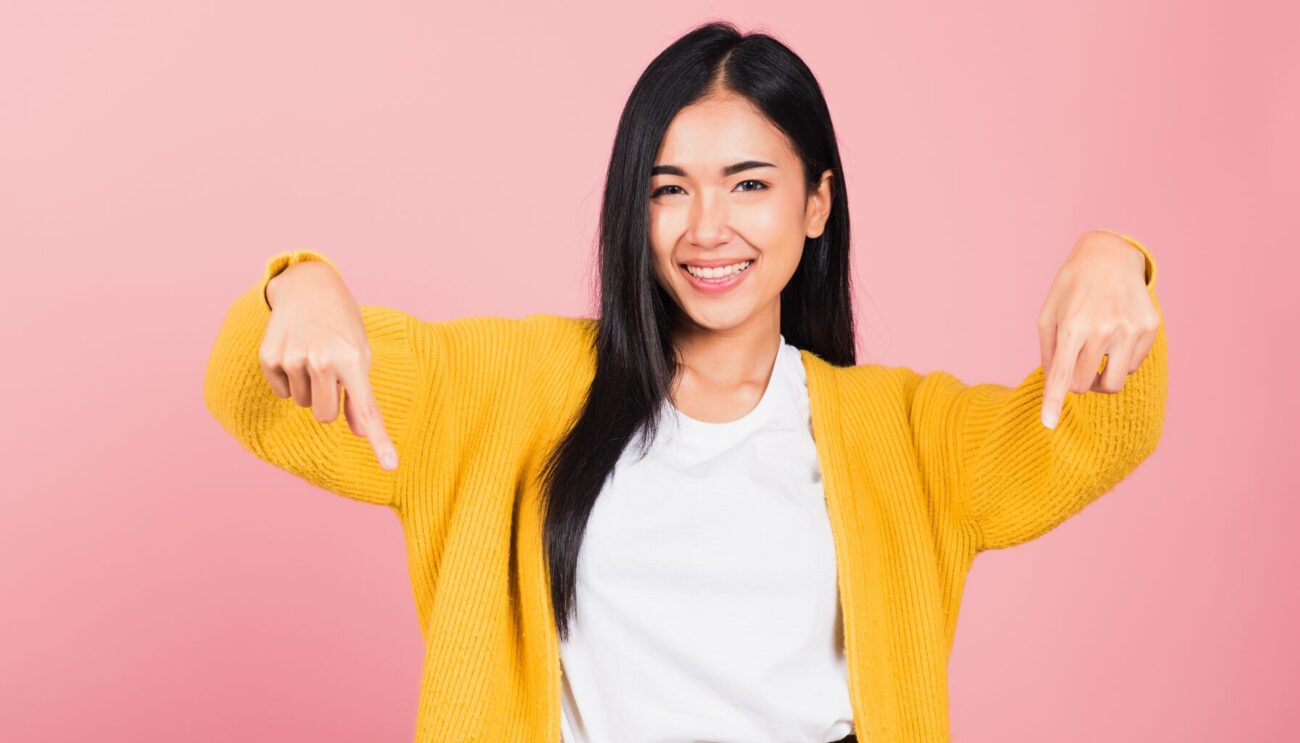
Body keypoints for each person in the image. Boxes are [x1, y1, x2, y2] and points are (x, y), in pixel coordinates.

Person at [202, 20, 1167, 743]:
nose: (707, 227)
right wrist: (301, 284)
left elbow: (1097, 431)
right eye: (670, 188)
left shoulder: (905, 433)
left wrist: (1114, 257)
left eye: (749, 182)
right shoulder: (506, 388)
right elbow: (258, 389)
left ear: (817, 202)